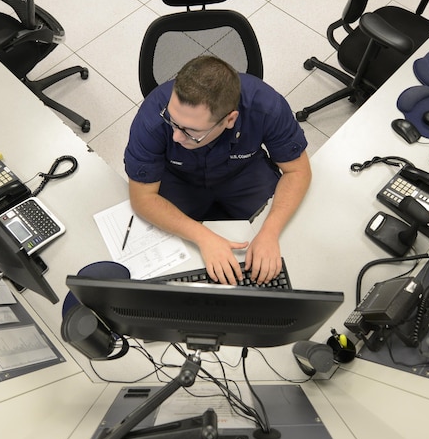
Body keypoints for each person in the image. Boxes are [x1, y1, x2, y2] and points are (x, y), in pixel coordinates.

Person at [124, 55, 311, 285]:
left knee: (290, 240)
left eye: (191, 131)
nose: (175, 135)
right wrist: (204, 238)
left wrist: (270, 232)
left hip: (243, 171)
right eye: (172, 121)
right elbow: (142, 198)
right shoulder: (152, 117)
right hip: (179, 177)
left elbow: (298, 172)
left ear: (230, 120)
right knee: (172, 253)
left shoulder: (266, 106)